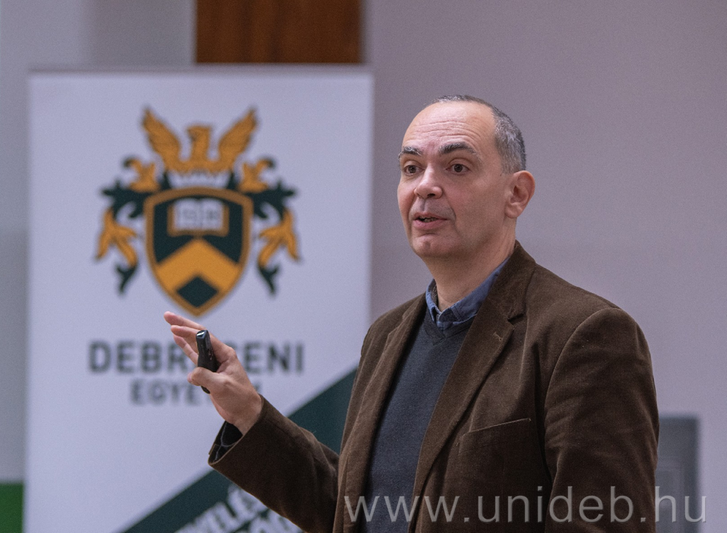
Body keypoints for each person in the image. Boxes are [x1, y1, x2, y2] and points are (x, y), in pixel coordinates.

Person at [164, 95, 658, 532]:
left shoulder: (584, 335)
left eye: (457, 167)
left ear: (517, 194)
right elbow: (354, 514)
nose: (426, 186)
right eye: (410, 168)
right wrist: (249, 413)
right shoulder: (387, 336)